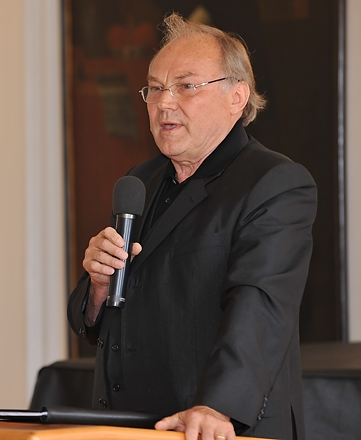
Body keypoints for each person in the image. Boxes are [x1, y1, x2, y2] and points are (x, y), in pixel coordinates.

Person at [68, 13, 317, 440]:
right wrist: (98, 287)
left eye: (185, 86)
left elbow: (260, 306)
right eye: (155, 88)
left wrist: (217, 407)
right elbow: (98, 322)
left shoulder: (273, 182)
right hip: (130, 427)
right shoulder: (140, 181)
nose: (164, 103)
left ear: (236, 97)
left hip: (217, 427)